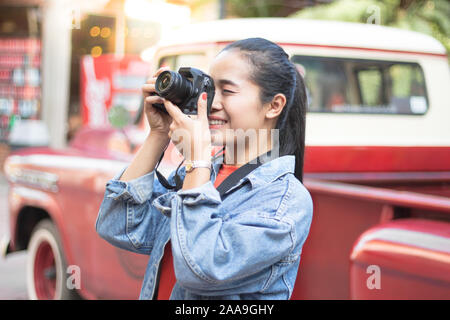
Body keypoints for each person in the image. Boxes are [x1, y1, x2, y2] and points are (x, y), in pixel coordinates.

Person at [95, 38, 313, 300]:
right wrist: (158, 134)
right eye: (210, 89)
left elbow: (200, 268)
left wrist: (197, 159)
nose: (211, 103)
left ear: (274, 105)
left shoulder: (285, 200)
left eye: (228, 91)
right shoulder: (204, 173)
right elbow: (118, 226)